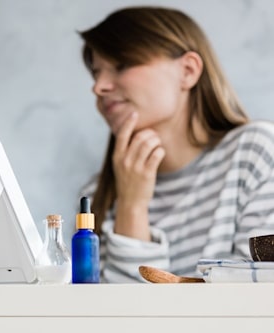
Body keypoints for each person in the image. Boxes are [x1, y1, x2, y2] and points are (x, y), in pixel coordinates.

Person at [79, 6, 274, 282]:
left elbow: (257, 293)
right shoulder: (97, 193)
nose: (98, 86)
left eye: (121, 65)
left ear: (188, 71)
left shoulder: (256, 153)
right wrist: (131, 207)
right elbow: (117, 318)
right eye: (96, 73)